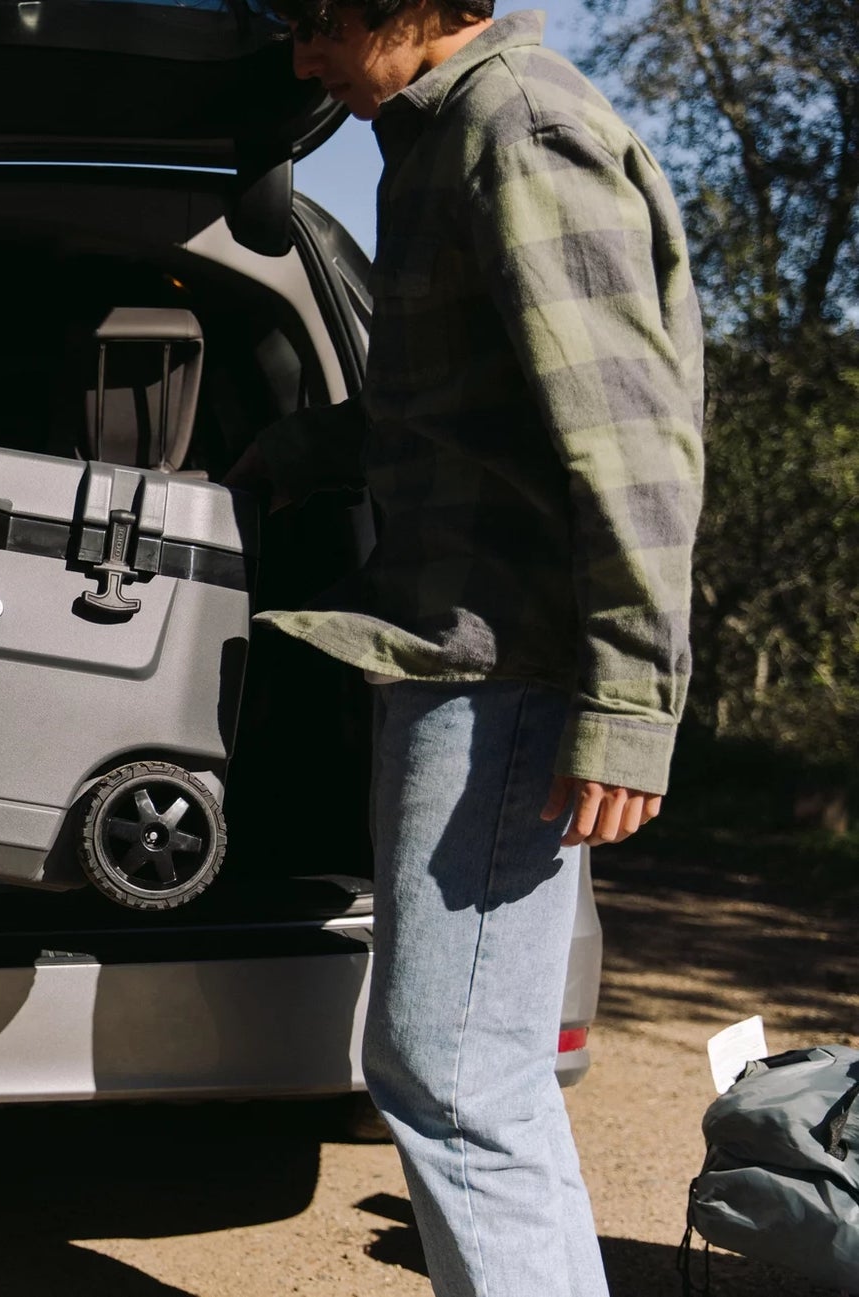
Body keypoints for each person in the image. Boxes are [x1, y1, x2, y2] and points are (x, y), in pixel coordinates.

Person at [228, 2, 704, 1294]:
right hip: (451, 652)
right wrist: (290, 455)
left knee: (452, 1066)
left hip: (513, 669)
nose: (303, 58)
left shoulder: (520, 126)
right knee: (461, 1065)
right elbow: (442, 400)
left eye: (319, 21)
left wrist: (627, 702)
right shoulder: (441, 138)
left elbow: (629, 439)